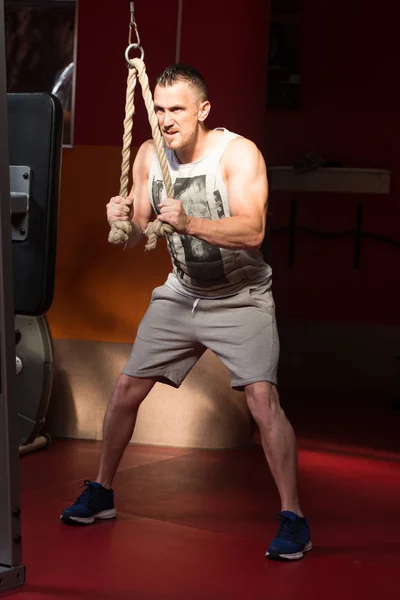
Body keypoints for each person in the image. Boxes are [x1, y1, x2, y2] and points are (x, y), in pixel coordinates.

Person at [60, 64, 311, 561]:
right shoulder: (151, 153)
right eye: (159, 108)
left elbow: (254, 231)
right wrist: (123, 220)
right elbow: (136, 230)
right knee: (127, 388)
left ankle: (294, 517)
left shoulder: (237, 154)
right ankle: (103, 490)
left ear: (203, 110)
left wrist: (191, 221)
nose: (166, 119)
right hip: (182, 292)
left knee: (262, 401)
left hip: (241, 296)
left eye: (177, 109)